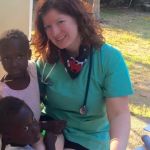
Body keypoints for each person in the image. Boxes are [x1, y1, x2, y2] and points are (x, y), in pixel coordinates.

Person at [33, 0, 134, 149]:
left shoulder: (109, 59)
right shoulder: (47, 60)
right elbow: (31, 98)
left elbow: (119, 115)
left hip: (88, 138)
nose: (54, 32)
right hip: (51, 131)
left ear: (78, 18)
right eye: (48, 27)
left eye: (60, 21)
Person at [0, 30, 65, 150]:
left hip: (35, 128)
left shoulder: (33, 70)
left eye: (19, 56)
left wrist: (45, 125)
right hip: (18, 137)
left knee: (59, 136)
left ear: (28, 55)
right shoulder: (3, 92)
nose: (14, 63)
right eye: (6, 58)